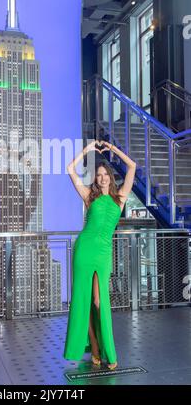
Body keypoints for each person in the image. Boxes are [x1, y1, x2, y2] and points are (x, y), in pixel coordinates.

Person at [63, 139, 136, 370]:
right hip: (84, 250)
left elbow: (132, 166)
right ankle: (94, 347)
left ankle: (108, 352)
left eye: (105, 174)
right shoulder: (89, 196)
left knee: (98, 301)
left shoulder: (120, 197)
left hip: (104, 254)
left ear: (111, 177)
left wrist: (113, 149)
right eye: (99, 174)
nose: (102, 177)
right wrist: (87, 150)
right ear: (95, 178)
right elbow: (69, 170)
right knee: (84, 302)